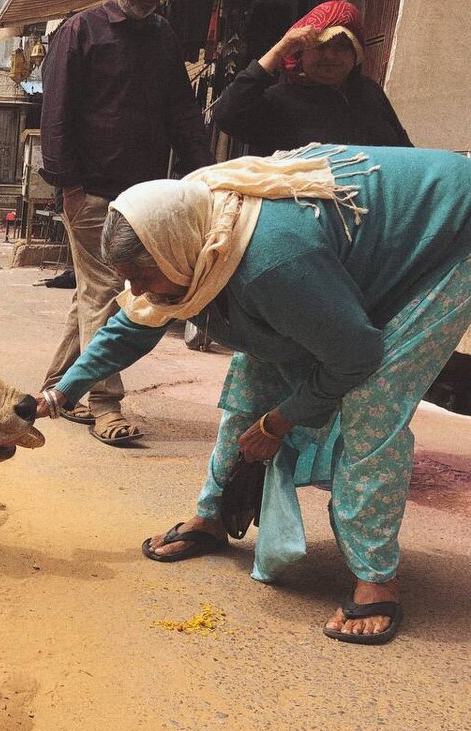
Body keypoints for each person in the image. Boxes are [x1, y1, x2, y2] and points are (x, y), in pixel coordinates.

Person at [34, 145, 471, 644]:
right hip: (323, 263)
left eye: (143, 276)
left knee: (372, 402)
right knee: (253, 369)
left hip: (450, 232)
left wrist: (278, 423)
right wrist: (59, 395)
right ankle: (213, 517)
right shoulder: (196, 232)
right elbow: (134, 322)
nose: (137, 289)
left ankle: (377, 579)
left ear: (178, 251)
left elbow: (356, 356)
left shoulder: (269, 262)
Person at [38, 0, 213, 446]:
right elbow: (56, 111)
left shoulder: (163, 35)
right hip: (90, 190)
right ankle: (105, 403)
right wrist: (68, 186)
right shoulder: (81, 30)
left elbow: (182, 111)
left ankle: (59, 385)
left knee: (91, 292)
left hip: (144, 199)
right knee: (108, 292)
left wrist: (204, 174)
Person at [213, 1, 411, 156]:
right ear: (301, 55)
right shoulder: (277, 100)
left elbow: (405, 150)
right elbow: (226, 115)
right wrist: (277, 52)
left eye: (342, 47)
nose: (330, 56)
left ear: (356, 53)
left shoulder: (370, 92)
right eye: (321, 46)